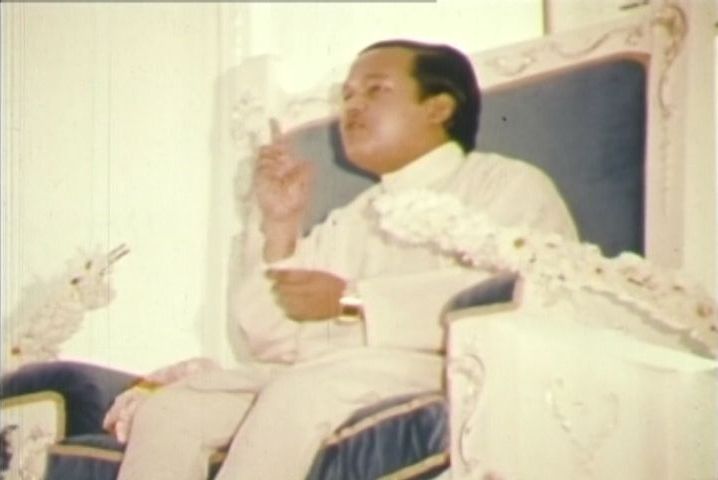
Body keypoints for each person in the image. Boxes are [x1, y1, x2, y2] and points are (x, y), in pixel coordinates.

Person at [109, 39, 577, 480]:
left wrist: (355, 301)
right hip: (326, 373)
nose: (352, 107)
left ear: (438, 107)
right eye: (348, 96)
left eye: (375, 90)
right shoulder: (354, 217)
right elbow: (272, 341)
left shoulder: (507, 183)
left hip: (444, 365)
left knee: (299, 391)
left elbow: (527, 293)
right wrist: (280, 226)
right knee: (173, 411)